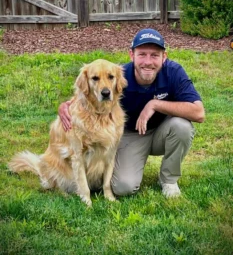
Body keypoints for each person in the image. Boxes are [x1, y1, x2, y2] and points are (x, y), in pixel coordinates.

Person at [59, 28, 205, 198]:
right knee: (123, 187)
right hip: (130, 137)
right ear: (132, 55)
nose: (148, 61)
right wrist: (64, 106)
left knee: (182, 126)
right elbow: (87, 96)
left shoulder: (174, 72)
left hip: (162, 132)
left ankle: (169, 180)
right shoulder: (119, 77)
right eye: (142, 54)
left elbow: (199, 113)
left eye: (155, 55)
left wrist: (155, 104)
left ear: (164, 57)